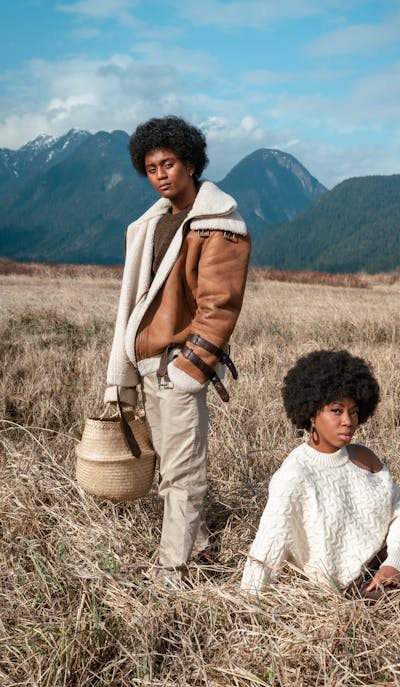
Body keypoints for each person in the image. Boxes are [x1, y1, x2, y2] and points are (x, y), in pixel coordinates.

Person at [104, 115, 251, 586]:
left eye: (169, 163)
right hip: (149, 365)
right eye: (151, 167)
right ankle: (200, 547)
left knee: (183, 474)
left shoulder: (217, 226)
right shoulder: (154, 223)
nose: (161, 174)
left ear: (191, 163)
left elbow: (219, 306)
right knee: (169, 468)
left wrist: (190, 366)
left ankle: (174, 569)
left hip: (178, 367)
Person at [241, 349, 400, 599]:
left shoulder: (365, 458)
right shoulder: (294, 475)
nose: (348, 421)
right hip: (356, 587)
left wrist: (395, 562)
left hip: (394, 559)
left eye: (354, 411)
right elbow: (268, 546)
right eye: (336, 410)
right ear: (312, 413)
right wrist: (247, 604)